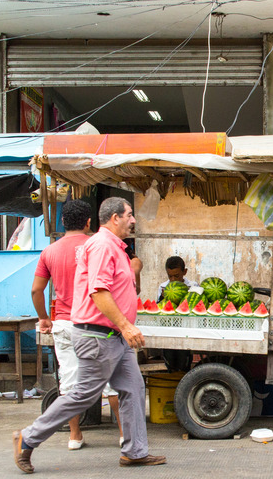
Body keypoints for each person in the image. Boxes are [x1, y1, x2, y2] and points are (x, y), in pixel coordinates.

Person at [14, 197, 166, 474]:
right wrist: (126, 325)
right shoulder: (101, 245)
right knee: (83, 395)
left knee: (133, 389)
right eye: (129, 214)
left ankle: (134, 452)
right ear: (114, 217)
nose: (133, 220)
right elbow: (98, 291)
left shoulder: (116, 247)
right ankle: (28, 437)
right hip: (99, 336)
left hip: (114, 337)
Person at [30, 199, 123, 450]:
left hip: (64, 324)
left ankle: (75, 435)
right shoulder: (97, 246)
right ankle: (124, 434)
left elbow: (37, 290)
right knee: (111, 381)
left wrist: (43, 318)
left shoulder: (49, 252)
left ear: (62, 222)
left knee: (69, 382)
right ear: (89, 222)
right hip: (95, 324)